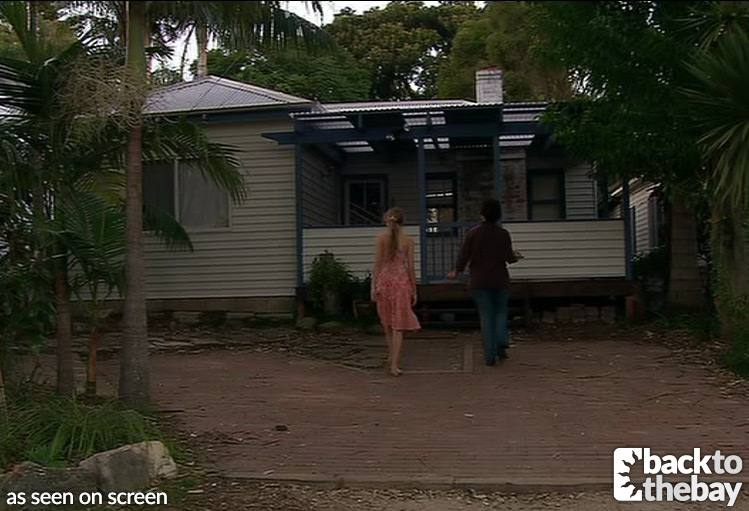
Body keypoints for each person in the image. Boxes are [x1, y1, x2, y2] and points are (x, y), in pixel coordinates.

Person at [448, 199, 523, 366]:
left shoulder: (473, 233)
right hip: (500, 280)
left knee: (486, 316)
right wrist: (516, 256)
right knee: (500, 312)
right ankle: (501, 340)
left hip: (479, 281)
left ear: (482, 215)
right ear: (498, 215)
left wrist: (457, 270)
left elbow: (464, 255)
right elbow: (509, 258)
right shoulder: (503, 234)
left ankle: (490, 356)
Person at [371, 207, 421, 376]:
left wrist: (373, 286)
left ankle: (391, 356)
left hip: (384, 283)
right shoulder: (408, 241)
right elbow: (411, 267)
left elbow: (378, 264)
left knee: (387, 323)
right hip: (401, 284)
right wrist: (414, 289)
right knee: (398, 326)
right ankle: (394, 364)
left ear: (387, 221)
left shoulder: (381, 239)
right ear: (402, 222)